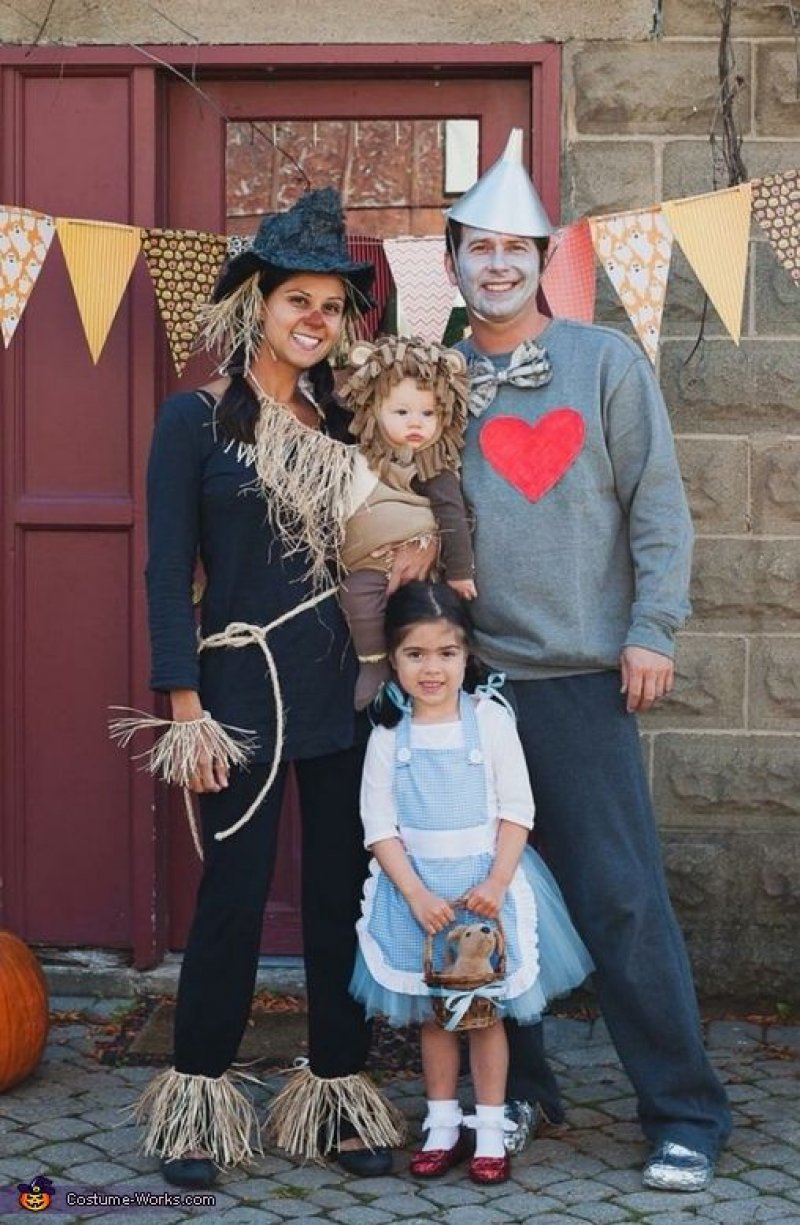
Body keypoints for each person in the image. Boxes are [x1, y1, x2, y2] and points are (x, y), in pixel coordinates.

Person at [119, 188, 429, 1190]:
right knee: (236, 897)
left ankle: (337, 1094)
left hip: (338, 689)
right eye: (297, 298)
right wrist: (183, 706)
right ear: (255, 304)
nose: (316, 319)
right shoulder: (196, 420)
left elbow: (392, 529)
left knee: (340, 894)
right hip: (236, 691)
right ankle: (198, 1099)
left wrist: (417, 540)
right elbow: (168, 571)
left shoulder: (348, 420)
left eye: (333, 305)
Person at [443, 130, 732, 1192]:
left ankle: (685, 1110)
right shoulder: (430, 379)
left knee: (618, 898)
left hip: (579, 679)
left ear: (541, 258)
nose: (498, 263)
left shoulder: (603, 361)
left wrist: (653, 627)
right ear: (454, 262)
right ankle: (512, 1090)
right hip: (470, 687)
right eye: (478, 247)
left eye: (516, 246)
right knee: (488, 900)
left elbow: (657, 508)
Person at [349, 581, 593, 1186]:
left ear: (467, 655)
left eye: (447, 653)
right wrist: (415, 894)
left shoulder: (489, 720)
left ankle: (489, 1129)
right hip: (420, 898)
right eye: (415, 654)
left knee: (484, 1015)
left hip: (487, 889)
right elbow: (378, 826)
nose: (432, 668)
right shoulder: (388, 733)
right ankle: (440, 1125)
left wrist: (498, 879)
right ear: (393, 659)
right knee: (437, 1017)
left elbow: (518, 810)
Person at [339, 336, 476, 709]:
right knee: (357, 599)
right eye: (401, 413)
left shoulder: (433, 464)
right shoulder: (355, 454)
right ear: (373, 409)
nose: (416, 423)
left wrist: (460, 572)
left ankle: (419, 681)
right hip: (367, 561)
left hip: (418, 563)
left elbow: (452, 514)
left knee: (423, 624)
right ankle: (374, 665)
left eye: (428, 414)